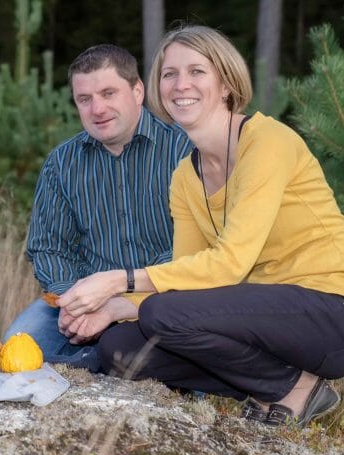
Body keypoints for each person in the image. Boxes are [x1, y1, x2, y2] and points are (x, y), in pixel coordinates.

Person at [59, 25, 344, 428]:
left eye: (197, 71)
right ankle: (273, 381)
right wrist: (116, 308)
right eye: (169, 74)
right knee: (120, 348)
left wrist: (116, 280)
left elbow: (229, 264)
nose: (181, 85)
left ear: (226, 83)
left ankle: (293, 389)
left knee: (162, 312)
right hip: (262, 321)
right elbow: (187, 278)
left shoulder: (267, 142)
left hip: (329, 310)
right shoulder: (185, 177)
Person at [2, 44, 192, 369]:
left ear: (137, 91)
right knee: (15, 350)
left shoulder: (182, 150)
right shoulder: (63, 163)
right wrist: (75, 301)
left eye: (108, 93)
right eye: (84, 99)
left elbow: (194, 246)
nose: (97, 108)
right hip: (82, 302)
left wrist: (122, 297)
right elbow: (49, 247)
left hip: (165, 297)